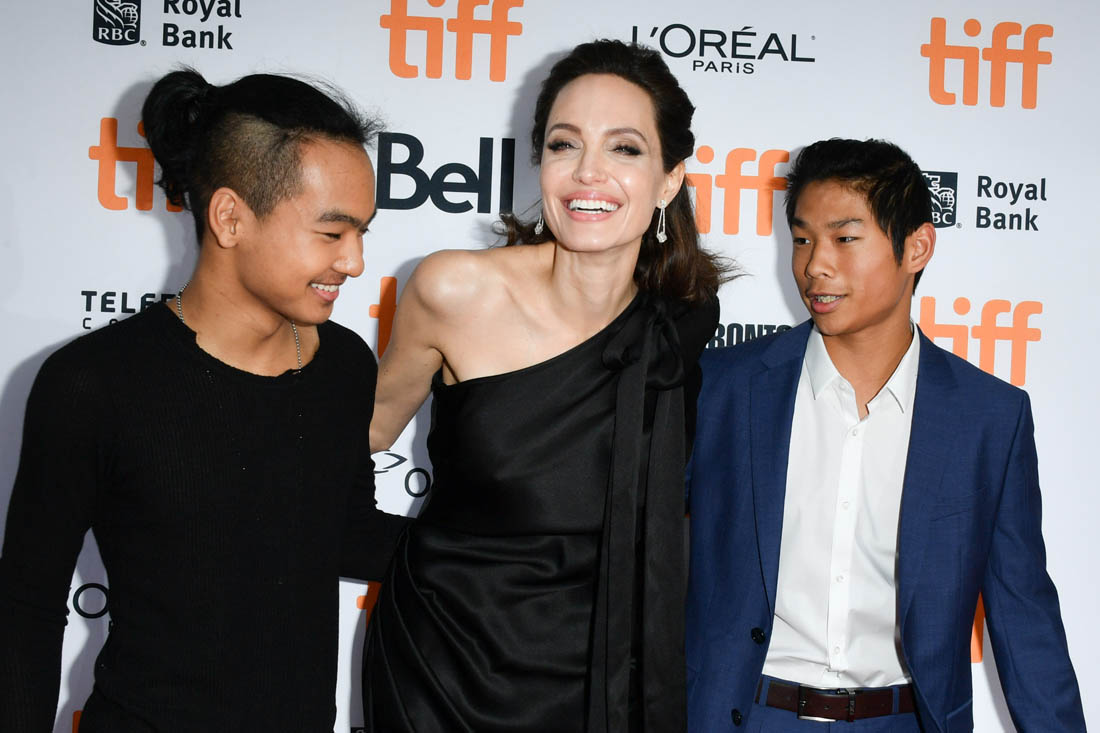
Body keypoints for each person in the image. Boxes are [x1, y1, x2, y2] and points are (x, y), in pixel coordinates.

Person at [0, 68, 408, 731]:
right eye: (332, 233)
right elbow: (26, 606)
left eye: (362, 231)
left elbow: (344, 534)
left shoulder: (343, 365)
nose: (355, 261)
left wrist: (509, 548)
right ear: (229, 217)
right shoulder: (93, 382)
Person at [362, 39, 729, 732]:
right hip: (441, 670)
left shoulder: (678, 324)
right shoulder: (453, 289)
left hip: (602, 681)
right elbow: (363, 435)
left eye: (624, 148)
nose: (588, 171)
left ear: (669, 180)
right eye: (565, 144)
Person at [685, 138, 1085, 731]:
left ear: (916, 247)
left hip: (904, 720)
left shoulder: (987, 418)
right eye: (802, 239)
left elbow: (1024, 615)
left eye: (845, 239)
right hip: (745, 715)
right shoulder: (721, 388)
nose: (815, 266)